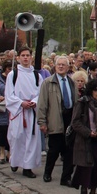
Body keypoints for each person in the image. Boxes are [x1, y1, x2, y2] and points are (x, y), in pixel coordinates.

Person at [37, 55, 77, 185]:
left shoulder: (72, 82)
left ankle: (66, 177)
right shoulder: (48, 83)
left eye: (63, 65)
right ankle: (47, 172)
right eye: (58, 64)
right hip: (55, 119)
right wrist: (42, 122)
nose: (60, 66)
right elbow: (42, 104)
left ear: (68, 67)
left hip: (69, 119)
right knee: (54, 150)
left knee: (69, 151)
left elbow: (76, 102)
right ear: (55, 66)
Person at [6, 46, 42, 178]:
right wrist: (21, 103)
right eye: (23, 55)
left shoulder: (36, 75)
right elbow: (9, 94)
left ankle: (28, 167)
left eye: (28, 55)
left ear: (31, 58)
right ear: (18, 58)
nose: (26, 58)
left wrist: (35, 101)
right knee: (17, 137)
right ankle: (15, 160)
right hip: (19, 111)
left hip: (31, 111)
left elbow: (40, 93)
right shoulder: (13, 75)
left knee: (31, 139)